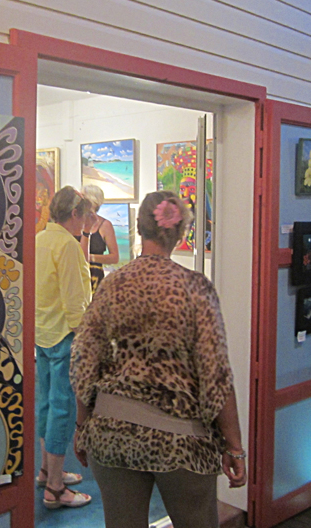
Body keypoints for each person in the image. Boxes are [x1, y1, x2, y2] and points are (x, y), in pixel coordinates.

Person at [70, 190, 247, 528]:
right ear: (180, 234)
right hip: (181, 440)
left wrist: (82, 426)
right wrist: (234, 445)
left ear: (139, 229)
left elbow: (84, 361)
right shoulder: (195, 288)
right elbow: (216, 374)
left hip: (112, 430)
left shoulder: (112, 285)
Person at [35, 186, 96, 509]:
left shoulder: (40, 239)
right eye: (85, 215)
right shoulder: (68, 246)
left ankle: (47, 471)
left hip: (42, 333)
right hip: (64, 336)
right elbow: (75, 303)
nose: (86, 221)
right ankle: (56, 488)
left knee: (46, 404)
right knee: (62, 409)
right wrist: (85, 337)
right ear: (74, 213)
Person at [80, 184, 120, 292]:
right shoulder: (76, 222)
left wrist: (90, 257)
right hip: (77, 273)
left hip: (95, 277)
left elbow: (114, 257)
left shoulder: (105, 225)